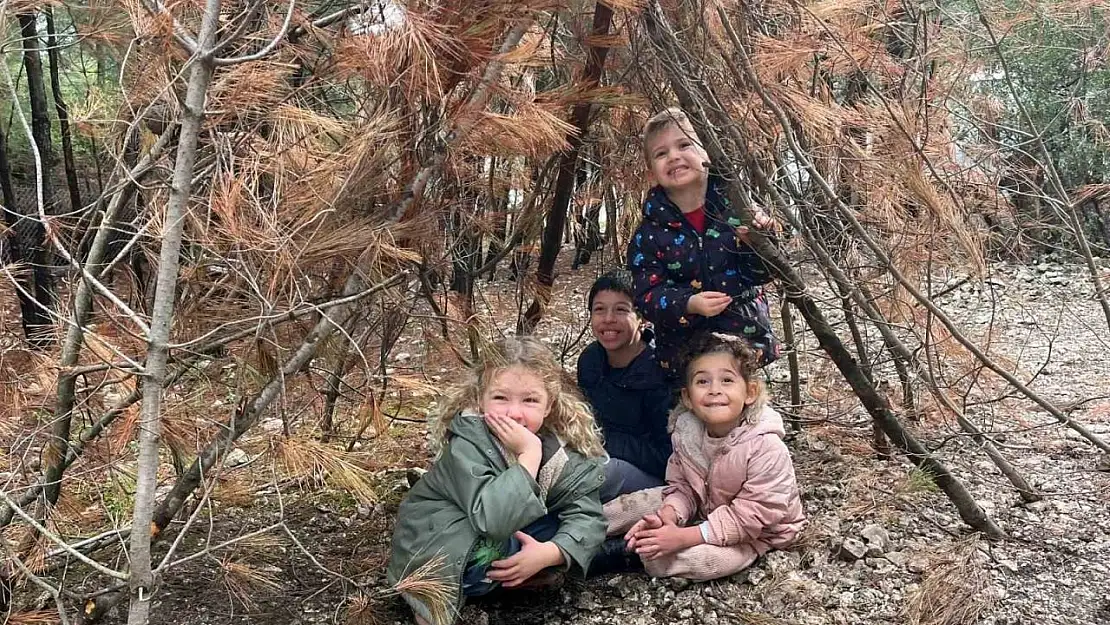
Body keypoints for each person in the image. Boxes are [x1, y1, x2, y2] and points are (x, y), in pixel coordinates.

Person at [387, 337, 608, 625]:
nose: (514, 412)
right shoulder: (468, 444)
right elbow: (492, 520)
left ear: (549, 405)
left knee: (565, 531)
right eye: (501, 398)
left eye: (530, 400)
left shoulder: (560, 449)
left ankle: (526, 572)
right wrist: (529, 455)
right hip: (441, 545)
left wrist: (549, 554)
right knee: (481, 560)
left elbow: (588, 516)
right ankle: (432, 601)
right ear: (480, 400)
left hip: (502, 533)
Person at [622, 332, 805, 581]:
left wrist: (684, 537)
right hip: (704, 508)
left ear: (750, 392)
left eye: (727, 380)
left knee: (692, 561)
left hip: (756, 534)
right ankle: (583, 534)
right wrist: (669, 516)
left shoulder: (766, 446)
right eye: (702, 382)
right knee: (634, 504)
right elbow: (682, 486)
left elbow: (751, 516)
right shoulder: (685, 434)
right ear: (687, 397)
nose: (714, 390)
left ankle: (623, 553)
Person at [626, 107, 781, 379]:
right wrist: (689, 303)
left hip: (743, 345)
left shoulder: (737, 206)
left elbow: (762, 273)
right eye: (661, 153)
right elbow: (646, 295)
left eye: (684, 144)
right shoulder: (648, 233)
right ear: (651, 172)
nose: (674, 157)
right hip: (685, 355)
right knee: (689, 420)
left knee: (750, 416)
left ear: (706, 152)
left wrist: (757, 243)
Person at [577, 269, 674, 503]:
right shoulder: (590, 360)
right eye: (599, 309)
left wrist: (604, 441)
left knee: (598, 473)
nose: (608, 319)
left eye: (621, 310)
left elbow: (667, 457)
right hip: (596, 451)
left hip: (653, 478)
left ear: (642, 317)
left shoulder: (661, 370)